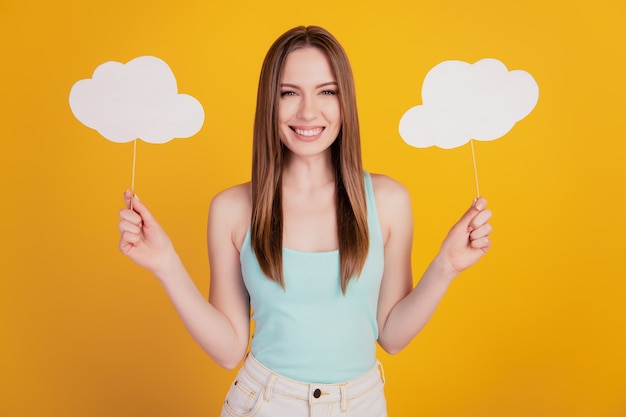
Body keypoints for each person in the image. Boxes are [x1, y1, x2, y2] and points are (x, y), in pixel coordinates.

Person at [118, 25, 492, 417]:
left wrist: (446, 266)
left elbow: (392, 336)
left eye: (326, 92)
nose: (308, 112)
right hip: (263, 403)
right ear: (269, 102)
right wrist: (165, 264)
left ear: (345, 100)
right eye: (289, 93)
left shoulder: (389, 201)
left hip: (360, 405)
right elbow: (229, 350)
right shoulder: (232, 208)